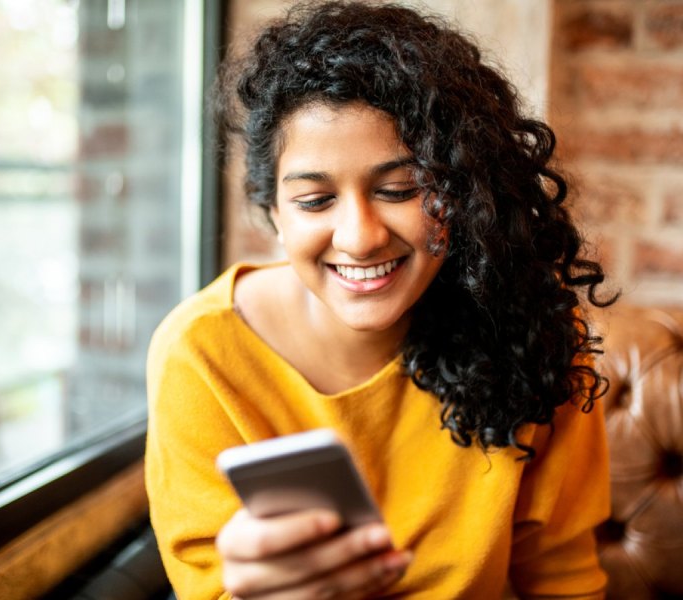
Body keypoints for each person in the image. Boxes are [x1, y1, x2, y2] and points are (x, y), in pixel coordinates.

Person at [145, 2, 617, 598]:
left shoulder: (532, 326)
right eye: (315, 201)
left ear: (464, 192)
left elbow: (562, 579)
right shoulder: (202, 354)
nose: (360, 236)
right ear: (273, 213)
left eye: (400, 189)